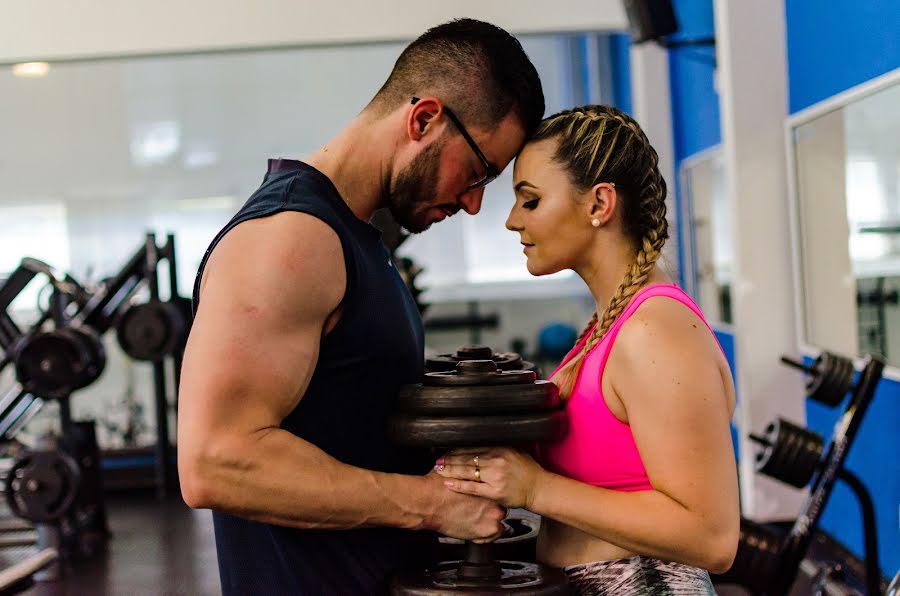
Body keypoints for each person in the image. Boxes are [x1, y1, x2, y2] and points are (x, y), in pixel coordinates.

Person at [176, 19, 545, 595]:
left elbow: (348, 426)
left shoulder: (356, 239)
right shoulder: (292, 238)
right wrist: (431, 504)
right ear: (424, 119)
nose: (474, 203)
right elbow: (216, 461)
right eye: (477, 173)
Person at [434, 105, 740, 595]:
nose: (512, 221)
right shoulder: (607, 325)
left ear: (599, 204)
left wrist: (534, 488)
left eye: (529, 201)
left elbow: (712, 536)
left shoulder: (653, 331)